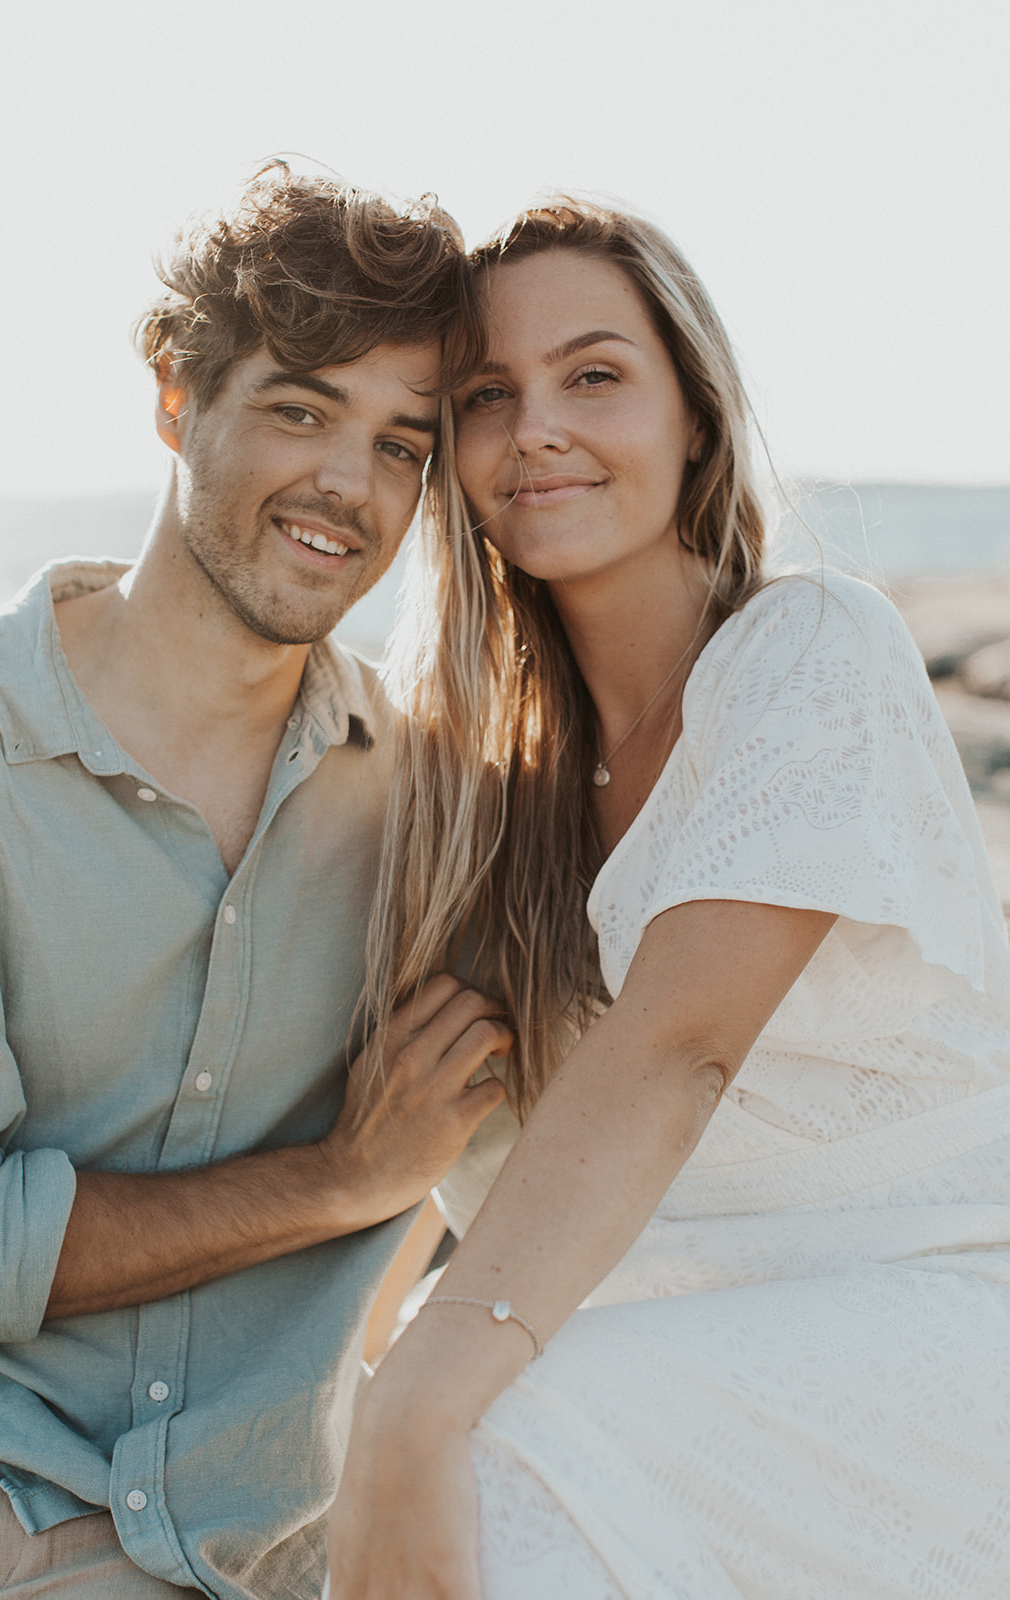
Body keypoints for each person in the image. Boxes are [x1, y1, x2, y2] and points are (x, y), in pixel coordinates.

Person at [326, 199, 1010, 1598]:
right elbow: (463, 1158)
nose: (537, 431)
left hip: (933, 1300)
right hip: (663, 1321)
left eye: (593, 375)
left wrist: (414, 1395)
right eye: (485, 398)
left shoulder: (810, 644)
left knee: (476, 1448)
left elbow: (676, 1049)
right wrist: (348, 1390)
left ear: (693, 417)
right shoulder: (474, 780)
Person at [0, 164, 513, 1599]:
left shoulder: (441, 799)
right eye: (303, 409)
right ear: (175, 395)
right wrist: (338, 1183)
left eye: (401, 445)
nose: (348, 488)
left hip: (286, 1545)